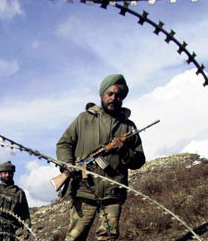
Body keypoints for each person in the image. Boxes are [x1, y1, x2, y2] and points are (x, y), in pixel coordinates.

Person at [56, 74, 145, 241]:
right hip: (84, 190)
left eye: (118, 95)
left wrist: (124, 151)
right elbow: (64, 144)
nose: (113, 98)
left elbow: (139, 160)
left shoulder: (129, 127)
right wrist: (67, 163)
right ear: (102, 95)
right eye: (109, 94)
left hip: (113, 192)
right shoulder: (84, 119)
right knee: (75, 237)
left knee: (107, 237)